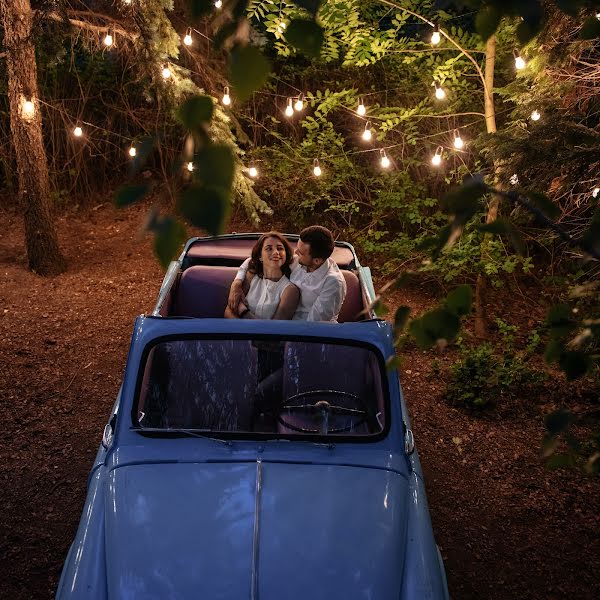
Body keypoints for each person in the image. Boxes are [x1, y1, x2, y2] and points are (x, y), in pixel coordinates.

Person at [228, 225, 347, 322]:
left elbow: (314, 324)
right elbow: (253, 261)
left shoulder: (334, 283)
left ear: (317, 260)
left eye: (300, 252)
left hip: (310, 337)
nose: (295, 252)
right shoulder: (297, 262)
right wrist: (236, 284)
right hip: (282, 329)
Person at [224, 231, 299, 320]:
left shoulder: (290, 290)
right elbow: (229, 311)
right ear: (260, 256)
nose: (276, 252)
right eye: (269, 248)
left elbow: (275, 329)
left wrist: (243, 311)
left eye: (280, 248)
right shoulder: (251, 277)